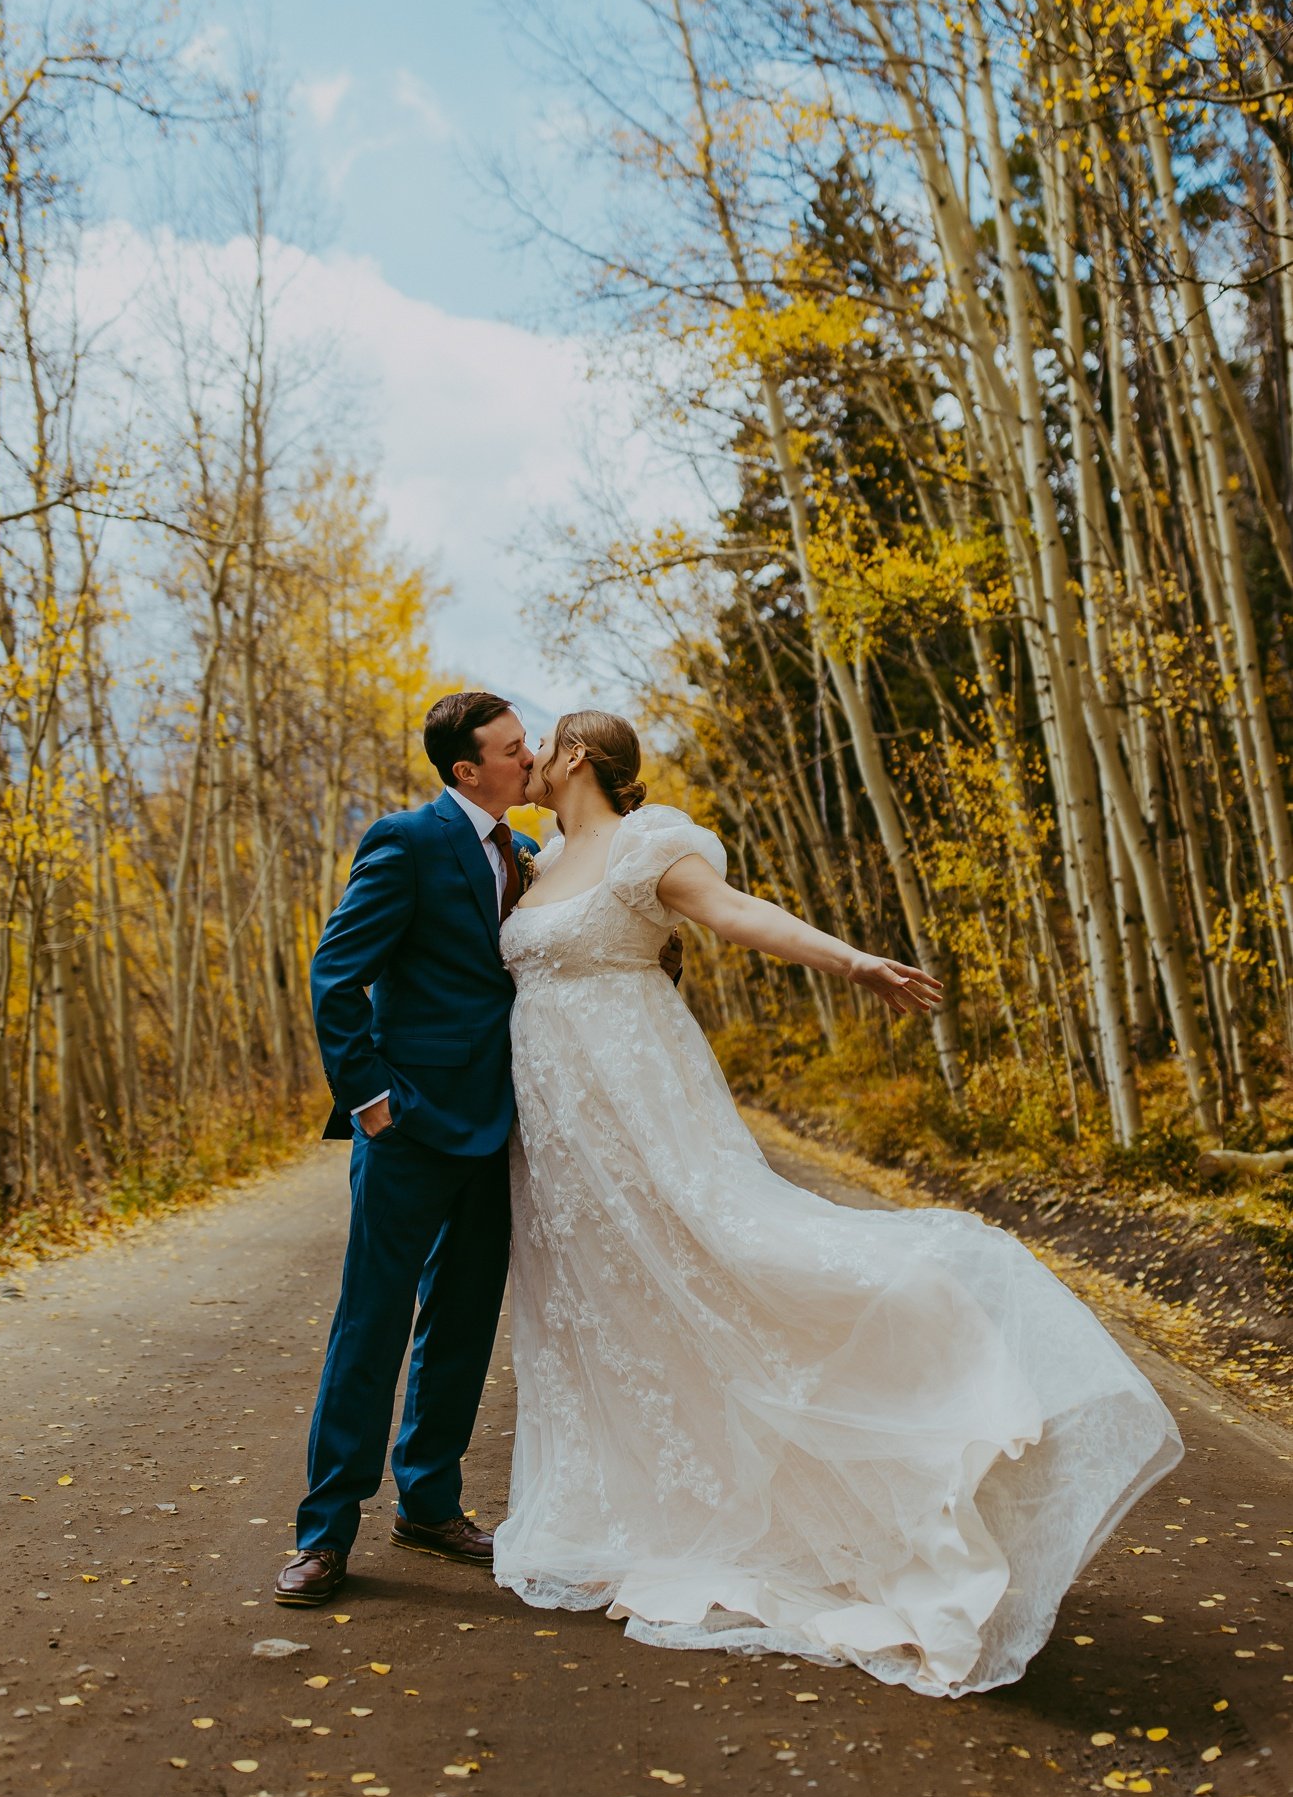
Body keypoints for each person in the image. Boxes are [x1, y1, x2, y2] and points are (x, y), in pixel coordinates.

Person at [492, 709, 1183, 1697]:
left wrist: (853, 961)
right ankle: (630, 1502)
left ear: (579, 758)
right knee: (607, 1310)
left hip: (635, 1099)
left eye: (542, 744)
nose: (529, 761)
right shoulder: (541, 853)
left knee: (728, 1259)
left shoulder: (650, 845)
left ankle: (915, 1417)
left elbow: (740, 915)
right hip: (559, 1134)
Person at [275, 692, 540, 1607]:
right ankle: (323, 1533)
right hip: (412, 1128)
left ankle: (428, 1502)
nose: (529, 757)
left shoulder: (527, 855)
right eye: (512, 749)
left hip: (498, 1128)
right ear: (467, 770)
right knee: (372, 1323)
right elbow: (335, 975)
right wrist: (372, 1101)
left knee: (463, 1321)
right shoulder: (406, 841)